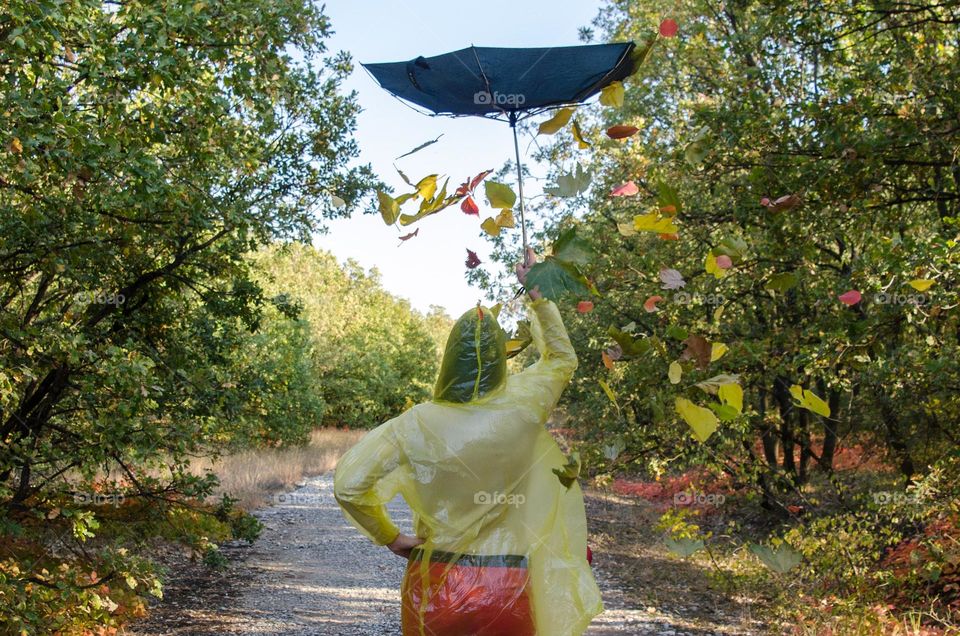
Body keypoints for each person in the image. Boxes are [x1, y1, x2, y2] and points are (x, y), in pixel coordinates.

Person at [333, 248, 602, 636]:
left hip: (435, 581)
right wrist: (537, 294)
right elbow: (561, 359)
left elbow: (349, 486)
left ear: (448, 360)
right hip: (509, 583)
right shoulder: (524, 407)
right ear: (498, 360)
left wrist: (391, 538)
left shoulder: (415, 424)